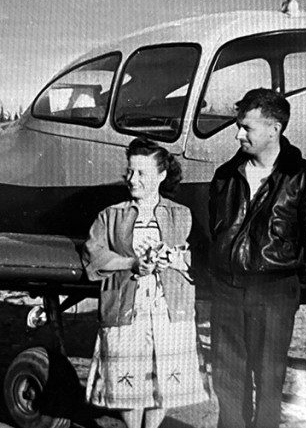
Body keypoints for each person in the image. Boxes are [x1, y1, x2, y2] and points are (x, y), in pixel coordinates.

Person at [207, 88, 306, 428]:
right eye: (238, 126)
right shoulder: (225, 176)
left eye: (247, 128)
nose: (238, 134)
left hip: (274, 294)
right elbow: (217, 231)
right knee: (228, 382)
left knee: (269, 383)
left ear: (274, 128)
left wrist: (290, 284)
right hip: (227, 292)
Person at [82, 137, 210, 428]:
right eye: (130, 172)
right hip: (128, 306)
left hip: (169, 310)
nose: (132, 179)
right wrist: (132, 263)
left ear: (162, 175)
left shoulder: (182, 215)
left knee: (163, 379)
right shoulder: (110, 216)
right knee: (129, 384)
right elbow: (96, 258)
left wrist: (174, 260)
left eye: (141, 173)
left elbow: (199, 260)